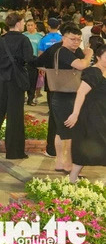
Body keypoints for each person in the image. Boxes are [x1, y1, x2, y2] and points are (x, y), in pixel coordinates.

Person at [36, 23, 92, 174]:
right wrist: (89, 54)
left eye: (78, 39)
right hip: (64, 96)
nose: (76, 42)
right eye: (72, 39)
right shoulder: (63, 51)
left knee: (61, 131)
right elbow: (81, 65)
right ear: (63, 38)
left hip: (61, 94)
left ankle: (60, 162)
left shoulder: (70, 51)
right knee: (69, 132)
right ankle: (67, 164)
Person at [0, 13, 34, 160]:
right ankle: (14, 152)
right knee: (15, 116)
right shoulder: (24, 39)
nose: (23, 24)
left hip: (2, 80)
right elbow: (29, 59)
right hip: (16, 81)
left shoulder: (0, 40)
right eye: (22, 22)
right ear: (18, 23)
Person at [64, 43, 106, 183]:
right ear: (99, 57)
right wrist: (75, 114)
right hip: (93, 115)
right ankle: (72, 179)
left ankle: (73, 178)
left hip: (102, 113)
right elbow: (81, 92)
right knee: (85, 146)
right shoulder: (94, 72)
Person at [23, 19, 43, 106]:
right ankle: (22, 98)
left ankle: (30, 99)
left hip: (35, 60)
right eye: (28, 25)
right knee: (23, 80)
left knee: (33, 81)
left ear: (35, 26)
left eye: (31, 25)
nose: (30, 27)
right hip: (24, 61)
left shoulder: (40, 37)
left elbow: (41, 51)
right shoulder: (23, 36)